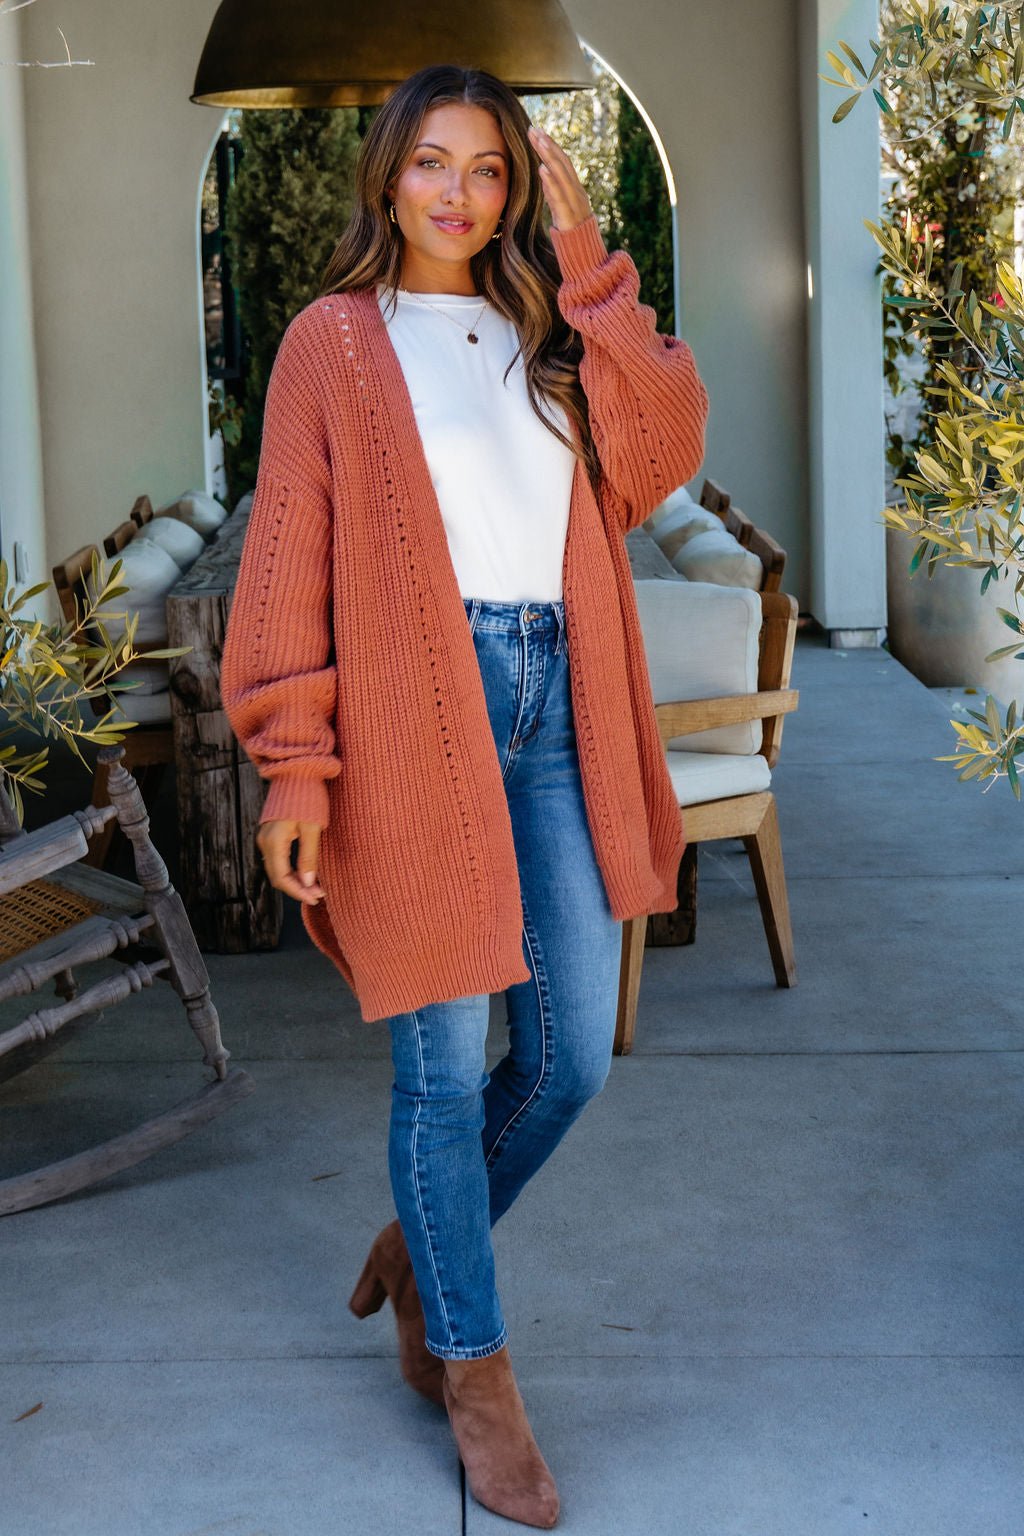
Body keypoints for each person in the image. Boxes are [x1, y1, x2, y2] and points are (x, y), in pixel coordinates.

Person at [220, 62, 709, 1530]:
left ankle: (426, 1249)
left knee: (569, 1060)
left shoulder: (553, 329)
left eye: (488, 169)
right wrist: (295, 764)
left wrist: (590, 259)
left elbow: (666, 450)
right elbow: (286, 557)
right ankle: (473, 1368)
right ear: (388, 177)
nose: (457, 192)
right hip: (411, 721)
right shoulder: (331, 343)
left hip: (561, 703)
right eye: (432, 163)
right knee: (439, 1072)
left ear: (516, 189)